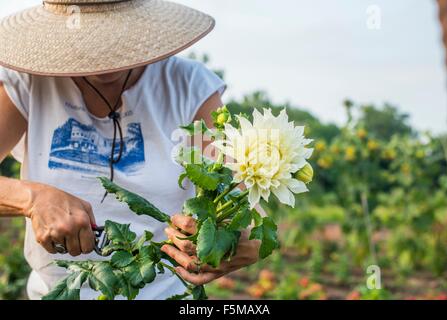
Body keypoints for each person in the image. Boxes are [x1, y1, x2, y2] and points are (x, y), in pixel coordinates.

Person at [0, 0, 260, 300]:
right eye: (89, 41)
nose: (104, 59)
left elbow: (244, 203)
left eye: (116, 38)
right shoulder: (29, 82)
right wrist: (32, 199)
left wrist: (242, 239)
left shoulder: (188, 87)